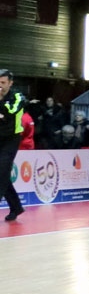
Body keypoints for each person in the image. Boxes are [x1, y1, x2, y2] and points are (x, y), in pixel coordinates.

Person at [0, 69, 24, 221]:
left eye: (2, 83)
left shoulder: (17, 96)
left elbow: (11, 112)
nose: (0, 86)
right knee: (3, 175)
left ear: (10, 83)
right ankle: (16, 207)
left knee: (2, 169)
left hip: (11, 139)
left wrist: (1, 104)